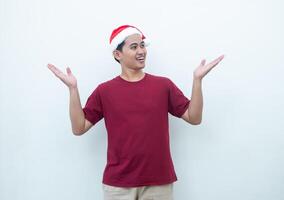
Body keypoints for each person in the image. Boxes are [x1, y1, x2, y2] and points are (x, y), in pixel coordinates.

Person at [47, 24, 224, 200]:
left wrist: (197, 80)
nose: (141, 51)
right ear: (118, 54)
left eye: (142, 45)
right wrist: (73, 89)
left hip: (158, 183)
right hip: (118, 185)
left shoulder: (163, 85)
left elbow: (194, 118)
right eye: (133, 47)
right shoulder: (105, 91)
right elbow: (79, 128)